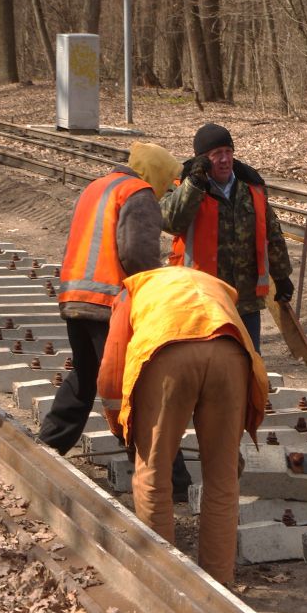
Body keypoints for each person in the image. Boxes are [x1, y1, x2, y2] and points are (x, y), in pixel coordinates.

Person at [38, 143, 194, 495]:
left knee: (85, 376)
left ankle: (46, 448)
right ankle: (170, 478)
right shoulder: (138, 193)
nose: (166, 191)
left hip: (74, 296)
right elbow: (137, 253)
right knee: (134, 388)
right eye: (166, 184)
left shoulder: (97, 186)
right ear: (153, 174)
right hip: (108, 305)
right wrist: (159, 292)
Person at [97, 265, 268, 585]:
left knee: (153, 473)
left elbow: (112, 367)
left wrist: (121, 428)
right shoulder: (215, 288)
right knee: (222, 478)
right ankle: (220, 585)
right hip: (230, 352)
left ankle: (162, 581)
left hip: (167, 351)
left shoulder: (133, 292)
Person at [159, 123, 294, 351]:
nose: (224, 160)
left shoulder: (251, 187)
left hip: (246, 301)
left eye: (228, 152)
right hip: (202, 299)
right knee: (207, 365)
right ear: (202, 159)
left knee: (249, 365)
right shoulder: (185, 185)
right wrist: (194, 183)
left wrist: (281, 276)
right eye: (216, 154)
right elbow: (170, 221)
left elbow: (272, 232)